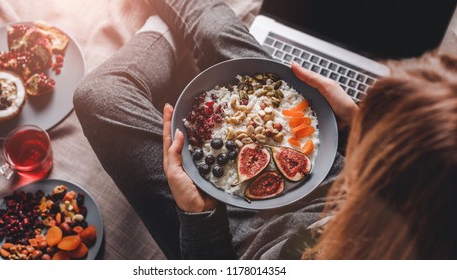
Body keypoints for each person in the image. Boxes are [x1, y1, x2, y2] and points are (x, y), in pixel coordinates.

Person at [74, 0, 457, 259]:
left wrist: (198, 219)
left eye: (378, 135)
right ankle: (185, 31)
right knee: (213, 27)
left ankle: (165, 33)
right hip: (327, 181)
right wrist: (355, 124)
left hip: (243, 241)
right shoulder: (432, 200)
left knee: (99, 95)